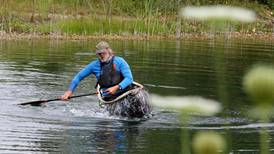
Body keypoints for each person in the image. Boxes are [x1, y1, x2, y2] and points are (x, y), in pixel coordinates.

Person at [61, 41, 133, 101]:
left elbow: (129, 78)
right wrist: (69, 91)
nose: (101, 55)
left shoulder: (120, 61)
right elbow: (78, 77)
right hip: (108, 95)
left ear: (108, 50)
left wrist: (116, 87)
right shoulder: (94, 65)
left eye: (103, 52)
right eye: (99, 53)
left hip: (124, 90)